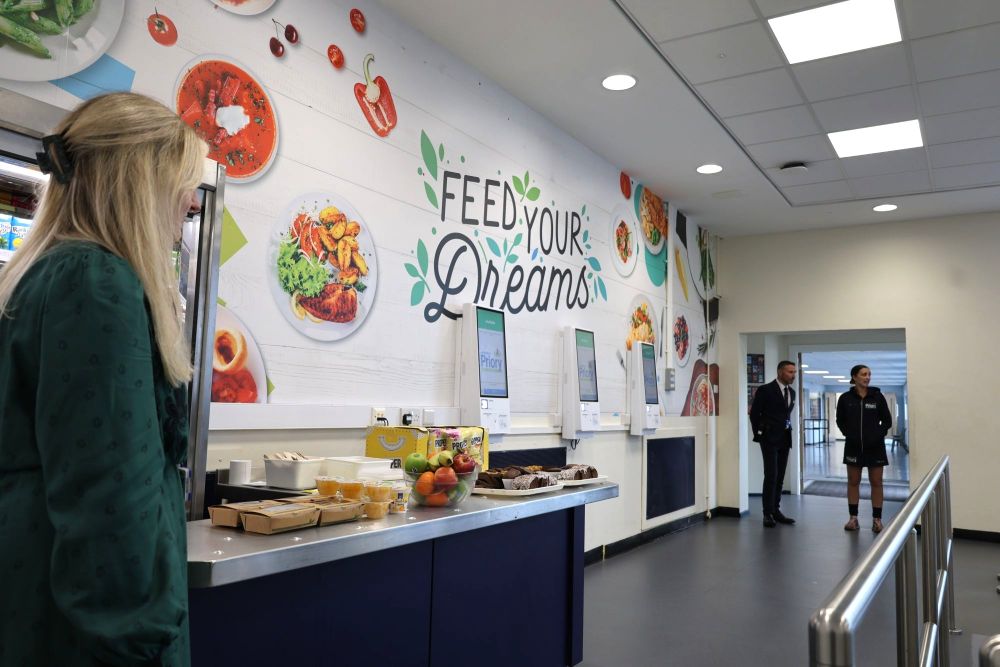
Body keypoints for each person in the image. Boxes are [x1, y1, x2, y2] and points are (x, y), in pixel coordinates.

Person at [0, 92, 205, 666]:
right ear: (141, 183)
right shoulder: (97, 281)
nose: (189, 206)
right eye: (183, 185)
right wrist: (145, 630)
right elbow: (113, 499)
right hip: (87, 632)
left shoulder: (42, 274)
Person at [836, 364, 892, 533]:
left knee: (876, 482)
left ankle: (877, 520)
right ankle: (853, 519)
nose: (867, 377)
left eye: (869, 374)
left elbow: (887, 421)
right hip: (853, 447)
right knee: (853, 482)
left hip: (876, 447)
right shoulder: (845, 398)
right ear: (854, 377)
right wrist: (849, 434)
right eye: (863, 374)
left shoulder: (877, 397)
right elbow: (840, 420)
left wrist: (877, 435)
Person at [750, 360, 798, 527]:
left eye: (794, 372)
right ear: (780, 372)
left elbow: (786, 415)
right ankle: (767, 513)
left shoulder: (792, 392)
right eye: (790, 372)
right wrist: (760, 434)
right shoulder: (766, 390)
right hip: (769, 439)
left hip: (785, 438)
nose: (793, 375)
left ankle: (776, 510)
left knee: (780, 476)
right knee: (771, 475)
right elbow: (754, 413)